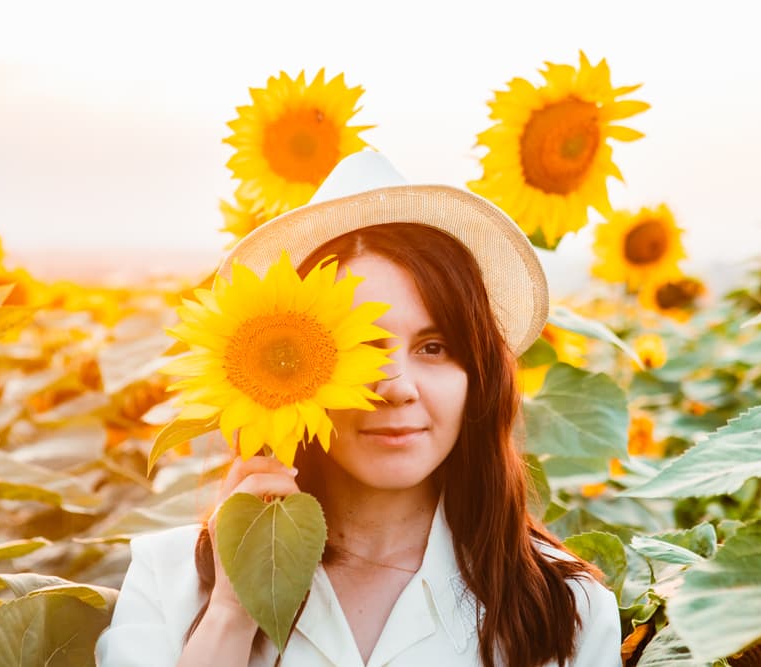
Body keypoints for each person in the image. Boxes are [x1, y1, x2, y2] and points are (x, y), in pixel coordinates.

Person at [95, 151, 621, 667]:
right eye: (361, 348)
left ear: (477, 380)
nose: (397, 387)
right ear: (287, 370)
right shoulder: (171, 581)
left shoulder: (567, 610)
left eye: (434, 347)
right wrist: (233, 611)